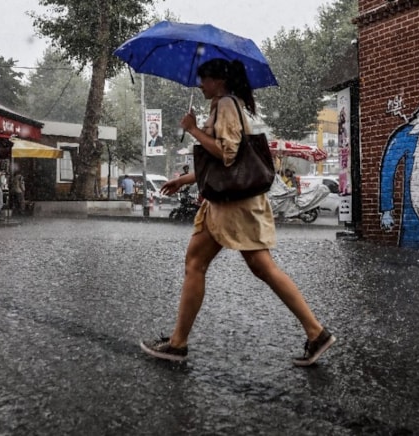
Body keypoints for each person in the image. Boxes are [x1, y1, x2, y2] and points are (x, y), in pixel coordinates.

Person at [140, 58, 335, 366]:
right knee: (235, 265)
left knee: (208, 265)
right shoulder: (225, 105)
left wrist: (192, 130)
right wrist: (185, 179)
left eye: (204, 79)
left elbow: (227, 155)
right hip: (230, 203)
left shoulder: (226, 105)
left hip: (233, 206)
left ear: (219, 81)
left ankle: (178, 344)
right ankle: (316, 333)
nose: (200, 84)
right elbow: (222, 162)